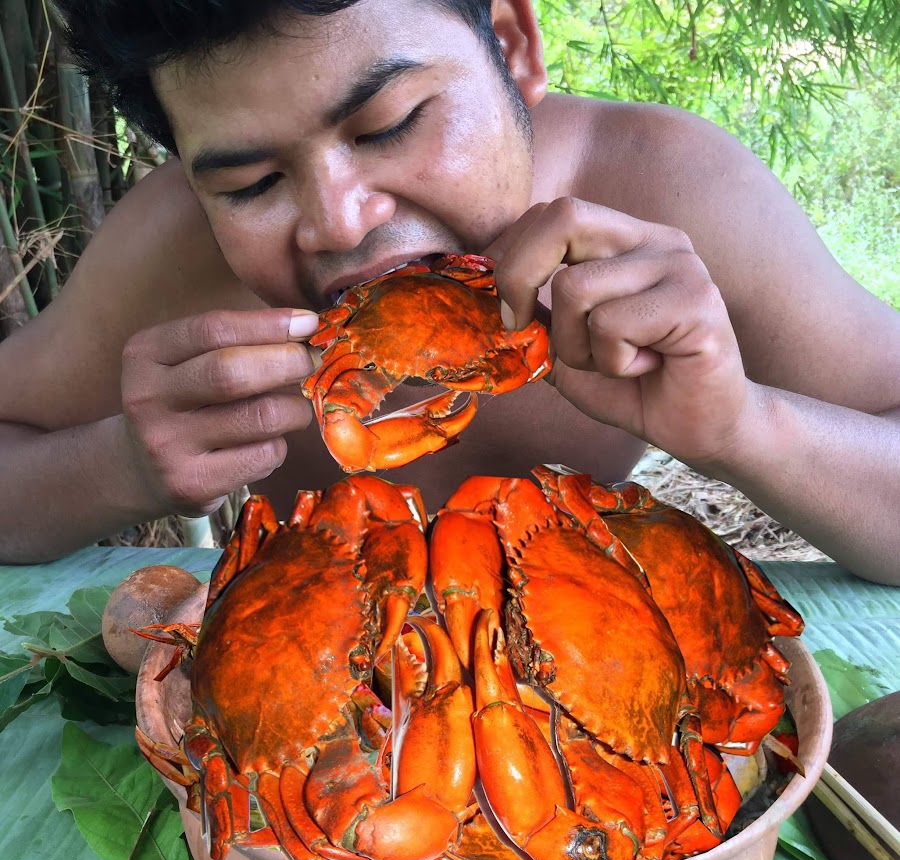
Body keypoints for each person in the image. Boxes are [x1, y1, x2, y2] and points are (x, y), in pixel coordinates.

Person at [0, 0, 898, 581]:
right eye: (251, 184)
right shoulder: (170, 253)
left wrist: (744, 427)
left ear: (510, 44)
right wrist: (118, 466)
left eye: (391, 125)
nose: (339, 222)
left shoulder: (670, 189)